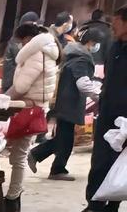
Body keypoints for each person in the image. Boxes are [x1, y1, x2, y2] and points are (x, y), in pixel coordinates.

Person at [70, 6, 127, 212]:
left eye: (117, 21)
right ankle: (93, 207)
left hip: (124, 118)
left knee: (117, 164)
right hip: (106, 111)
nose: (113, 25)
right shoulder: (114, 47)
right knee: (99, 161)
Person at [30, 29, 101, 181]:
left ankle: (39, 156)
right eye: (96, 43)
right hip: (70, 103)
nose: (96, 47)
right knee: (65, 139)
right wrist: (100, 98)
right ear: (90, 42)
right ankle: (56, 168)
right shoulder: (82, 58)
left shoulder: (72, 54)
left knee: (64, 137)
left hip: (64, 101)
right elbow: (83, 83)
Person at [4, 21, 59, 212]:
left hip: (28, 108)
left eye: (21, 41)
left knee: (18, 156)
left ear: (27, 38)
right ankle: (13, 198)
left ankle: (12, 199)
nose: (20, 45)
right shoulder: (46, 51)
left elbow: (21, 86)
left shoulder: (36, 53)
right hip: (35, 107)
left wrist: (1, 100)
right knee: (19, 154)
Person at [0, 11, 39, 92]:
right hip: (11, 83)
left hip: (13, 82)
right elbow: (22, 58)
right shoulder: (17, 41)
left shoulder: (18, 39)